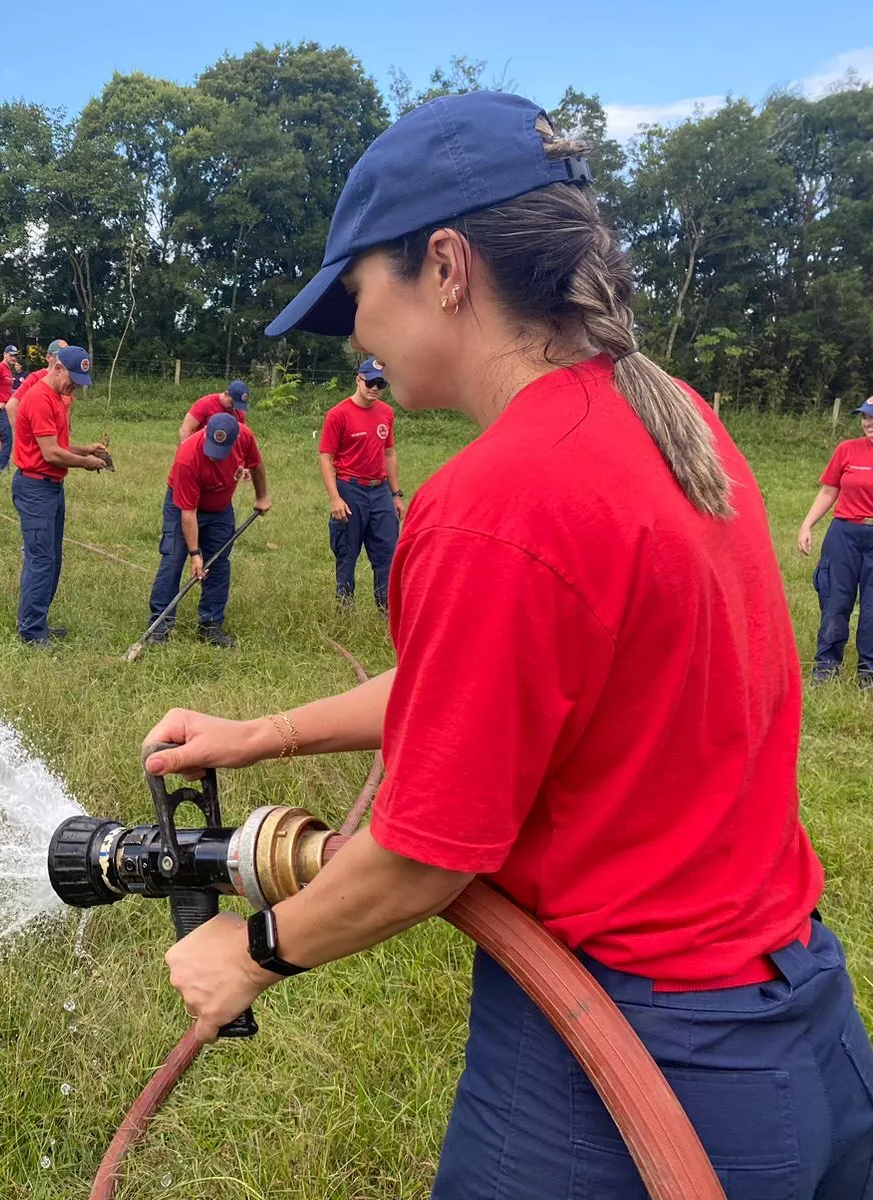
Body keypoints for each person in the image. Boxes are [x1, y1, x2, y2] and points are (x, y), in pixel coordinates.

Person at [146, 91, 873, 1199]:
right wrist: (262, 735)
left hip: (634, 1061)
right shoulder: (667, 412)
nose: (358, 337)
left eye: (356, 295)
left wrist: (246, 954)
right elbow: (506, 681)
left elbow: (425, 857)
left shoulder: (500, 497)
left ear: (444, 266)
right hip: (796, 1026)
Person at [11, 345, 112, 645]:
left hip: (51, 487)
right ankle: (30, 632)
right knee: (41, 559)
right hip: (35, 488)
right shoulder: (40, 399)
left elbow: (59, 444)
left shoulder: (56, 398)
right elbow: (51, 453)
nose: (75, 387)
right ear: (56, 367)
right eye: (73, 379)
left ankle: (37, 622)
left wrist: (86, 449)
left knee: (52, 559)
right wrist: (86, 463)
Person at [144, 412, 270, 649]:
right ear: (205, 434)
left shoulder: (245, 437)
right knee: (173, 557)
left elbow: (257, 464)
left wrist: (262, 496)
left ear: (235, 440)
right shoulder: (187, 457)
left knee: (219, 561)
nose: (214, 457)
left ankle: (210, 624)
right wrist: (194, 555)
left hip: (220, 508)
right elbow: (188, 513)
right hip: (183, 506)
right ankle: (159, 624)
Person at [319, 357, 406, 609]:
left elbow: (389, 454)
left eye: (381, 384)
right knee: (347, 552)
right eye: (371, 382)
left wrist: (396, 494)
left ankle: (386, 609)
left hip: (379, 491)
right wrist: (335, 497)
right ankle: (345, 608)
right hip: (350, 488)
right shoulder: (338, 415)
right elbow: (326, 457)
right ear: (358, 379)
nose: (375, 389)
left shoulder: (386, 413)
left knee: (386, 553)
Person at [798, 397, 873, 687]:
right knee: (835, 602)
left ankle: (868, 674)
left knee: (871, 609)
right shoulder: (847, 450)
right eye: (864, 417)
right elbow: (829, 492)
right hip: (844, 535)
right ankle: (826, 667)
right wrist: (807, 525)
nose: (867, 423)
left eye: (872, 417)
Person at [178, 380, 249, 442]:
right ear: (226, 394)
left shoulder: (239, 411)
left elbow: (242, 435)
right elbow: (185, 430)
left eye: (238, 405)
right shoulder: (205, 404)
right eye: (232, 403)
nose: (234, 408)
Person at [0, 345, 19, 474]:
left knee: (4, 437)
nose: (13, 358)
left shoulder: (8, 370)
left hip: (6, 407)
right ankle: (1, 467)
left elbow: (5, 389)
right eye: (11, 355)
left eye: (15, 355)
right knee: (6, 437)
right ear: (4, 354)